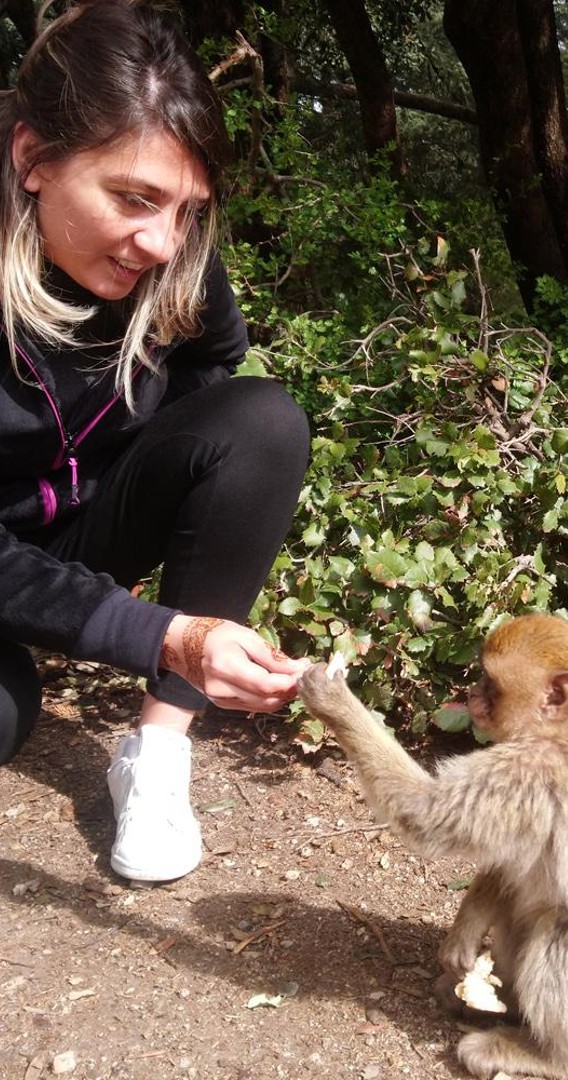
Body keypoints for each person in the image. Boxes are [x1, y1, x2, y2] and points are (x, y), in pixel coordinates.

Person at [0, 0, 311, 884]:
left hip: (80, 524)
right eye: (133, 199)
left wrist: (165, 491)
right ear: (33, 159)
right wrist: (160, 631)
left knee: (261, 420)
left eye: (187, 209)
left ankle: (158, 751)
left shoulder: (165, 248)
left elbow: (218, 364)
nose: (162, 241)